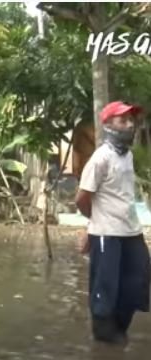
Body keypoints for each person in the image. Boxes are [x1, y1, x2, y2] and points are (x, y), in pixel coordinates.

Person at [76, 101, 150, 344]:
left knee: (140, 276)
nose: (129, 124)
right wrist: (93, 225)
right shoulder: (100, 158)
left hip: (131, 229)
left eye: (131, 120)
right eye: (123, 120)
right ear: (107, 124)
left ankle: (119, 325)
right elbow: (82, 197)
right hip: (106, 232)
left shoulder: (127, 155)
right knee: (105, 283)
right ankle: (103, 334)